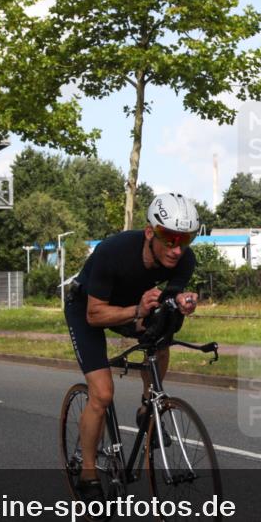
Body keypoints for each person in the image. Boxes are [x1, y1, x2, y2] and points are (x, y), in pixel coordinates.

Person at [65, 193, 200, 503]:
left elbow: (165, 305)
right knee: (102, 394)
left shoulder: (184, 259)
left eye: (186, 239)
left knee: (163, 334)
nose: (177, 249)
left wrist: (180, 304)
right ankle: (87, 472)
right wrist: (137, 311)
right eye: (169, 239)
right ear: (150, 232)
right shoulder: (113, 252)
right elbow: (94, 314)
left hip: (134, 306)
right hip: (89, 309)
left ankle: (146, 408)